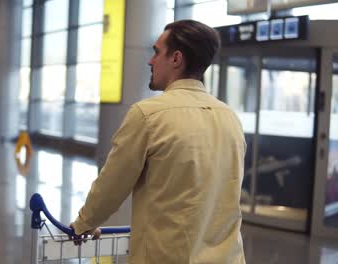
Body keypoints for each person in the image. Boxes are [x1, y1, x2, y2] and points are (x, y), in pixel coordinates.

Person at [70, 19, 246, 264]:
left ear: (176, 59)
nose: (150, 61)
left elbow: (112, 183)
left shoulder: (148, 115)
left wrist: (84, 223)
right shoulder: (230, 118)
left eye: (156, 52)